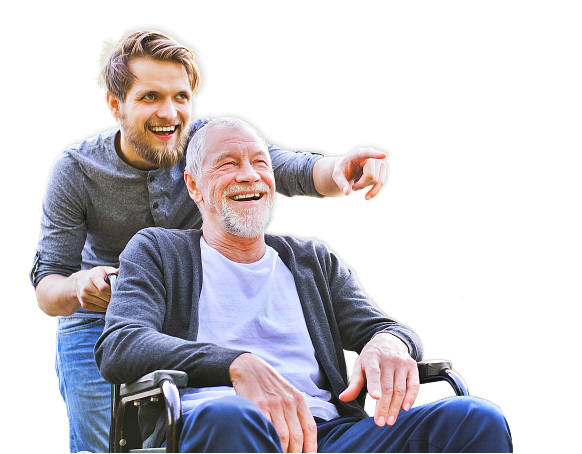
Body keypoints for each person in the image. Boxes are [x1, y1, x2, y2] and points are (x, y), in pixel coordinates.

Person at [30, 29, 389, 452]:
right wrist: (80, 286)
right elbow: (46, 286)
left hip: (186, 312)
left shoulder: (208, 144)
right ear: (115, 104)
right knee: (105, 445)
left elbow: (289, 168)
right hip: (99, 322)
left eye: (180, 97)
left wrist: (340, 170)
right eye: (150, 97)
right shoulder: (75, 170)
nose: (170, 113)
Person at [95, 117, 512, 453]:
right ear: (193, 186)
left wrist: (391, 343)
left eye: (260, 163)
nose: (250, 176)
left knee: (477, 418)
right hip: (217, 429)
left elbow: (384, 328)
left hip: (326, 436)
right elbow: (121, 345)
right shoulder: (158, 251)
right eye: (228, 164)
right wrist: (237, 364)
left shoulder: (310, 259)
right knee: (232, 416)